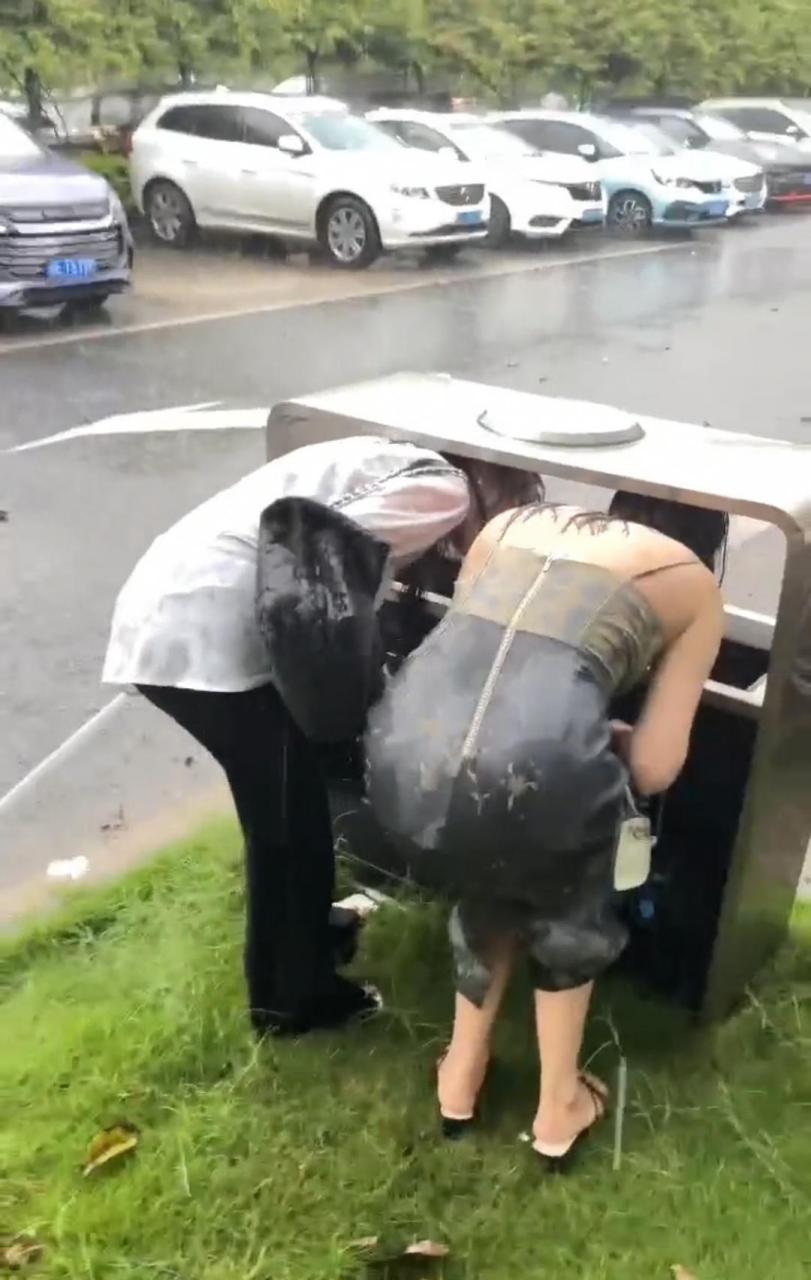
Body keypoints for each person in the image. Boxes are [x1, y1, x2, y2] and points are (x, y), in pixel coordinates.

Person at [102, 435, 541, 1037]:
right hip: (206, 633)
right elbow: (314, 571)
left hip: (173, 604)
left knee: (283, 806)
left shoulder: (386, 460)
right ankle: (292, 1000)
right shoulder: (445, 492)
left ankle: (310, 936)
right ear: (499, 491)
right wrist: (359, 702)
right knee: (290, 828)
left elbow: (325, 558)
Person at [364, 490, 727, 1165]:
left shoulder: (508, 526)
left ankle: (460, 1073)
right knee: (566, 884)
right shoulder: (692, 582)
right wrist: (607, 741)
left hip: (396, 758)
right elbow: (652, 768)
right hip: (531, 776)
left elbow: (482, 673)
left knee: (494, 851)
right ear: (708, 536)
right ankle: (558, 1103)